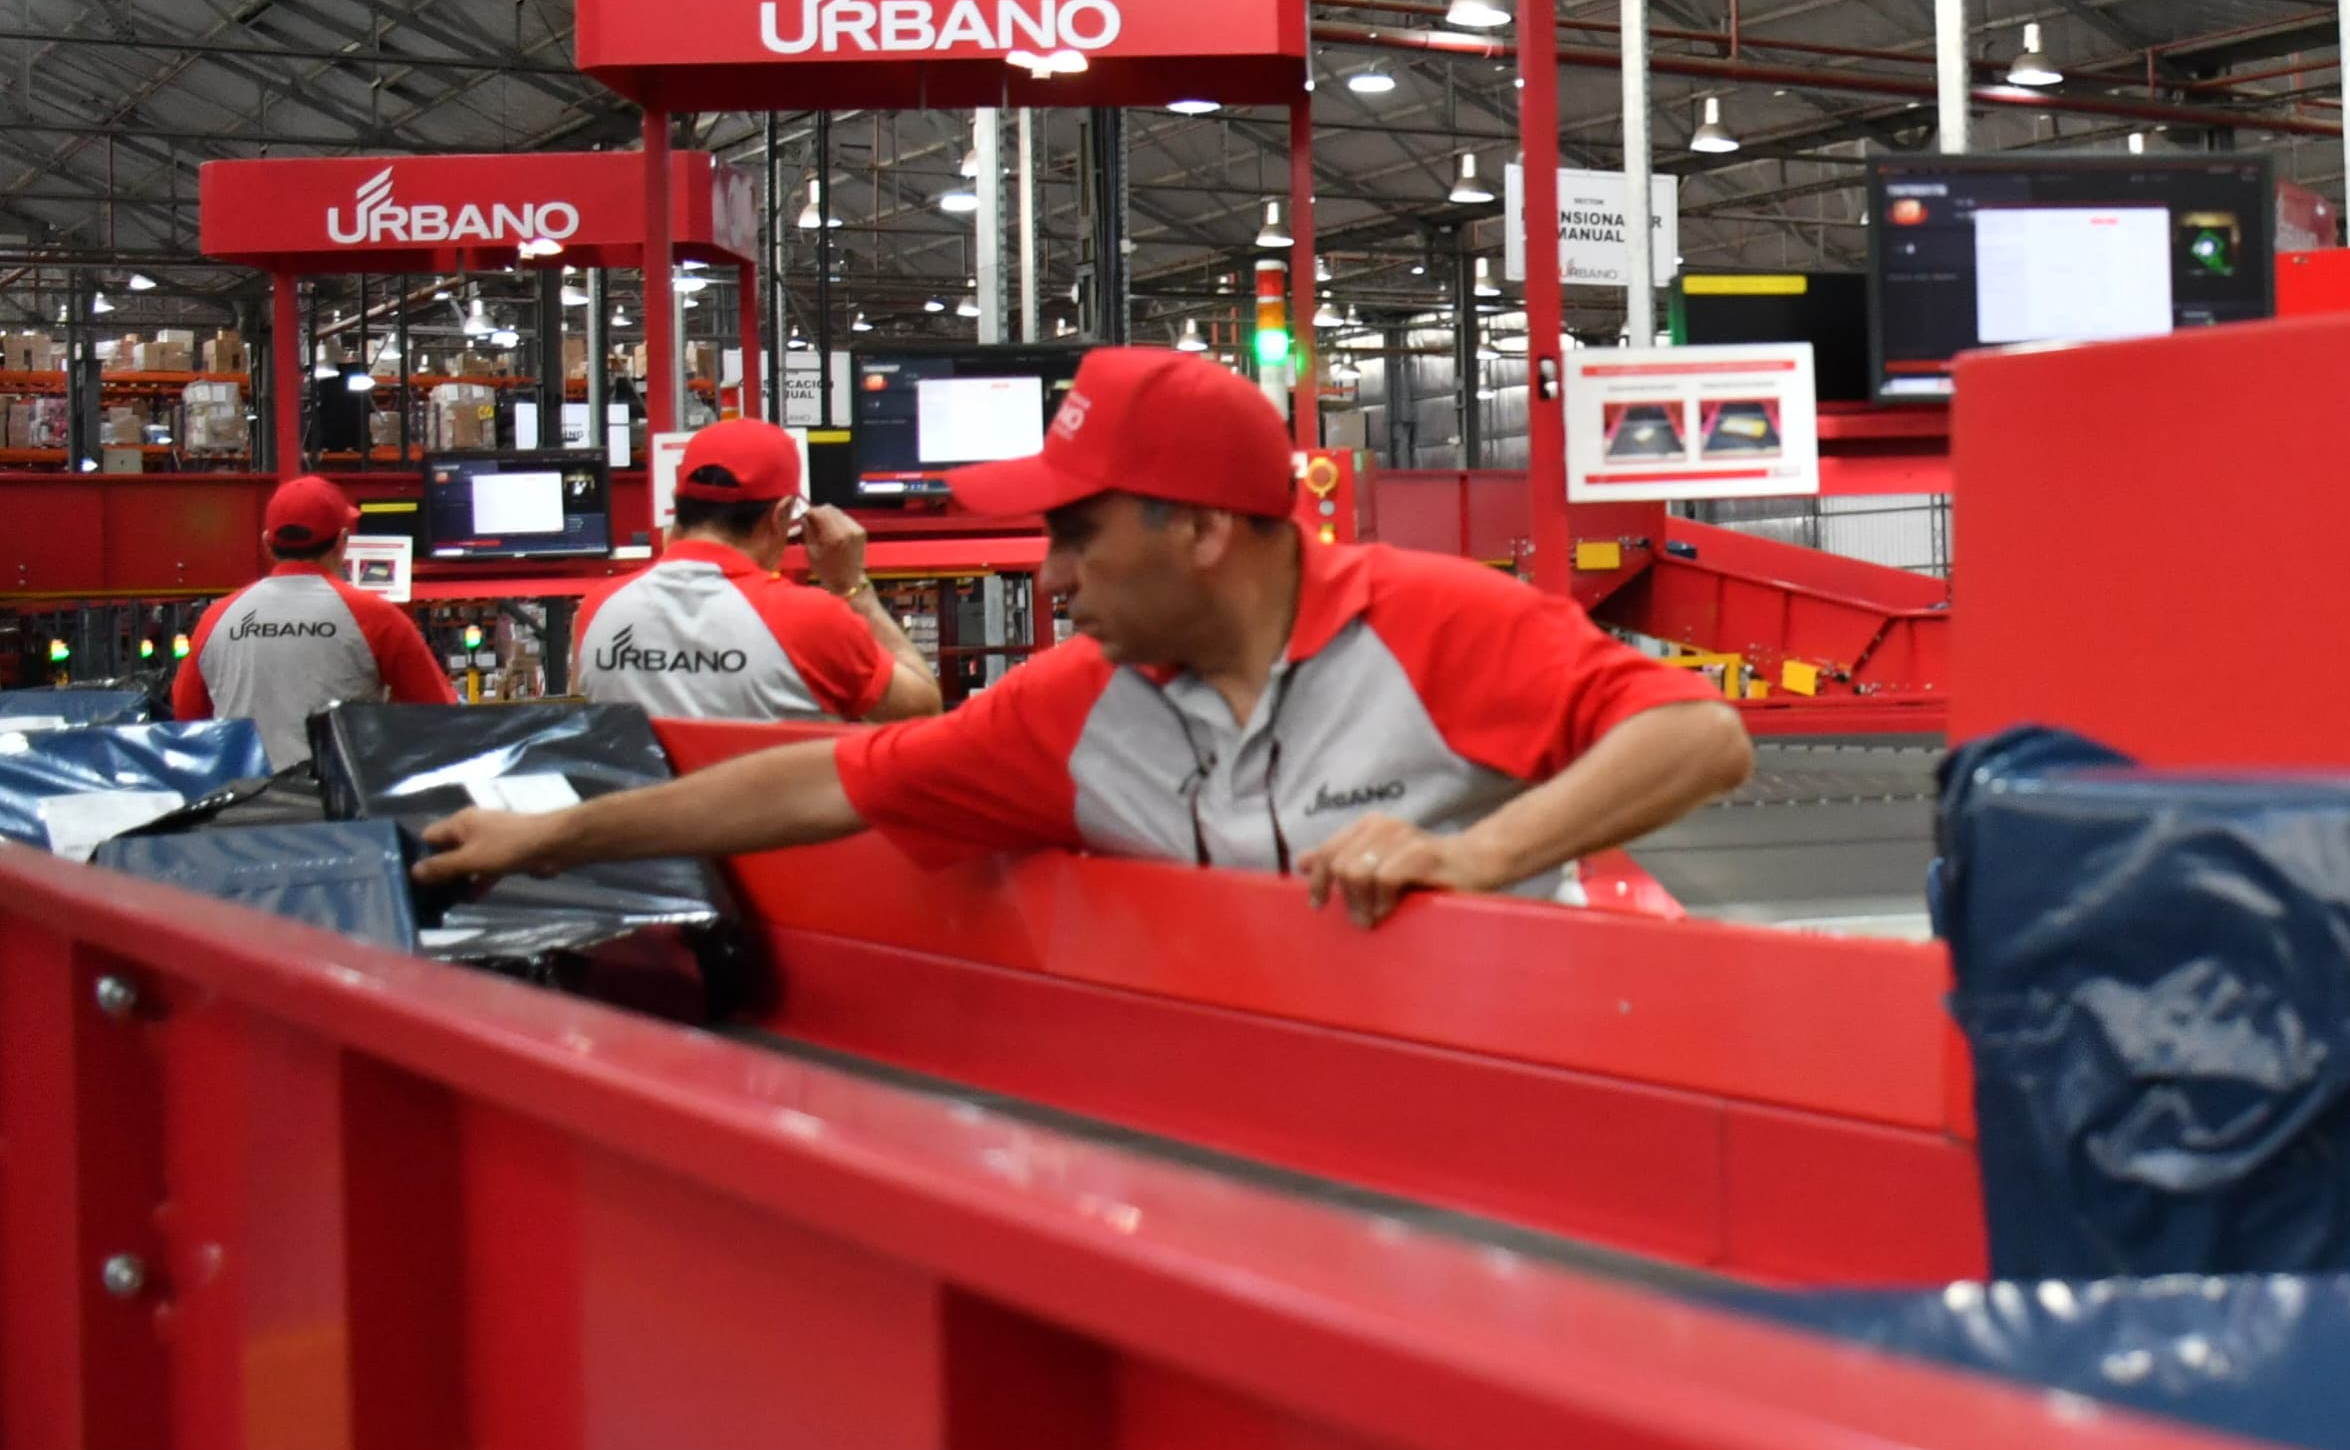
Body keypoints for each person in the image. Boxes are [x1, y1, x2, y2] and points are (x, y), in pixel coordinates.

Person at [415, 345, 1753, 922]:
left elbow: (1699, 733)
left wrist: (1474, 854)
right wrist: (554, 833)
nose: (1047, 577)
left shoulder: (1433, 618)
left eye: (1073, 536)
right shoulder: (1071, 704)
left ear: (1204, 531)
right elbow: (830, 777)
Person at [572, 418, 939, 723]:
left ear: (678, 504)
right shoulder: (809, 619)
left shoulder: (597, 610)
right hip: (772, 813)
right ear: (782, 514)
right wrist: (852, 587)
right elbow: (921, 710)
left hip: (634, 812)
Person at [171, 474, 453, 755]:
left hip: (245, 795)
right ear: (343, 542)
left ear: (267, 544)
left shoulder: (217, 618)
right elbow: (438, 714)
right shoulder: (375, 616)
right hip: (337, 795)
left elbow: (187, 718)